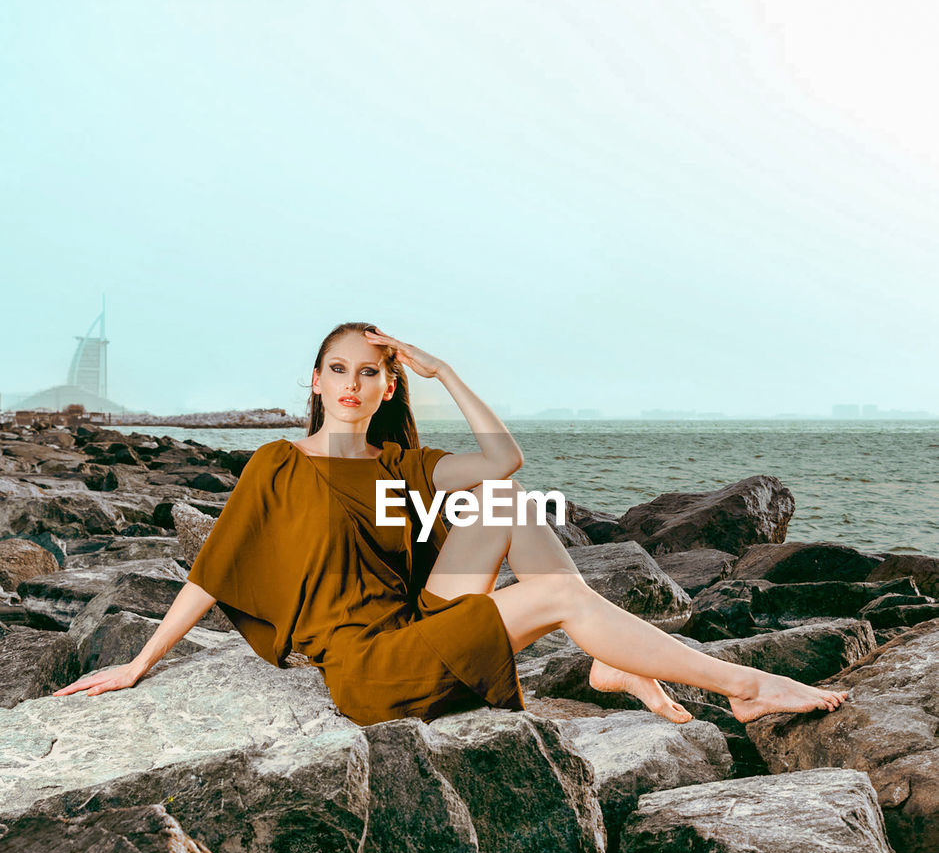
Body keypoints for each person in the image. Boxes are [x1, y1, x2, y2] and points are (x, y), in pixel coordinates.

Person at [54, 322, 849, 725]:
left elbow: (504, 461)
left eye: (371, 372)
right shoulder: (276, 464)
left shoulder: (401, 463)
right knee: (564, 600)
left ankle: (610, 662)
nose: (353, 384)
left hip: (416, 624)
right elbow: (211, 571)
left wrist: (445, 371)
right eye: (339, 370)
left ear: (388, 384)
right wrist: (140, 664)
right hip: (371, 671)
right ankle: (742, 686)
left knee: (505, 503)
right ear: (316, 379)